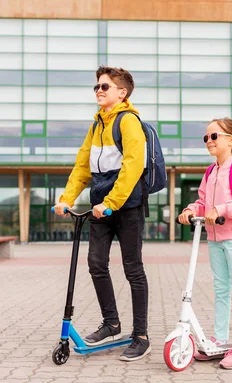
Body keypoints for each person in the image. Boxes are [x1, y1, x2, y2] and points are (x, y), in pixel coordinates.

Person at [53, 66, 150, 362]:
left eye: (104, 87)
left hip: (126, 207)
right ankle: (111, 323)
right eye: (96, 86)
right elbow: (83, 166)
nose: (98, 90)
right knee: (96, 263)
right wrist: (66, 198)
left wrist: (112, 201)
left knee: (133, 269)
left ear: (122, 93)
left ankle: (141, 335)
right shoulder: (96, 125)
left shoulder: (128, 121)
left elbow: (134, 165)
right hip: (100, 207)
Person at [178, 117, 232, 369]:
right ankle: (220, 339)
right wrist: (191, 209)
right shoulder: (211, 171)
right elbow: (203, 202)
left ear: (231, 140)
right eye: (206, 138)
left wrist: (222, 209)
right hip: (214, 238)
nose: (208, 141)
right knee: (221, 289)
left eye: (214, 136)